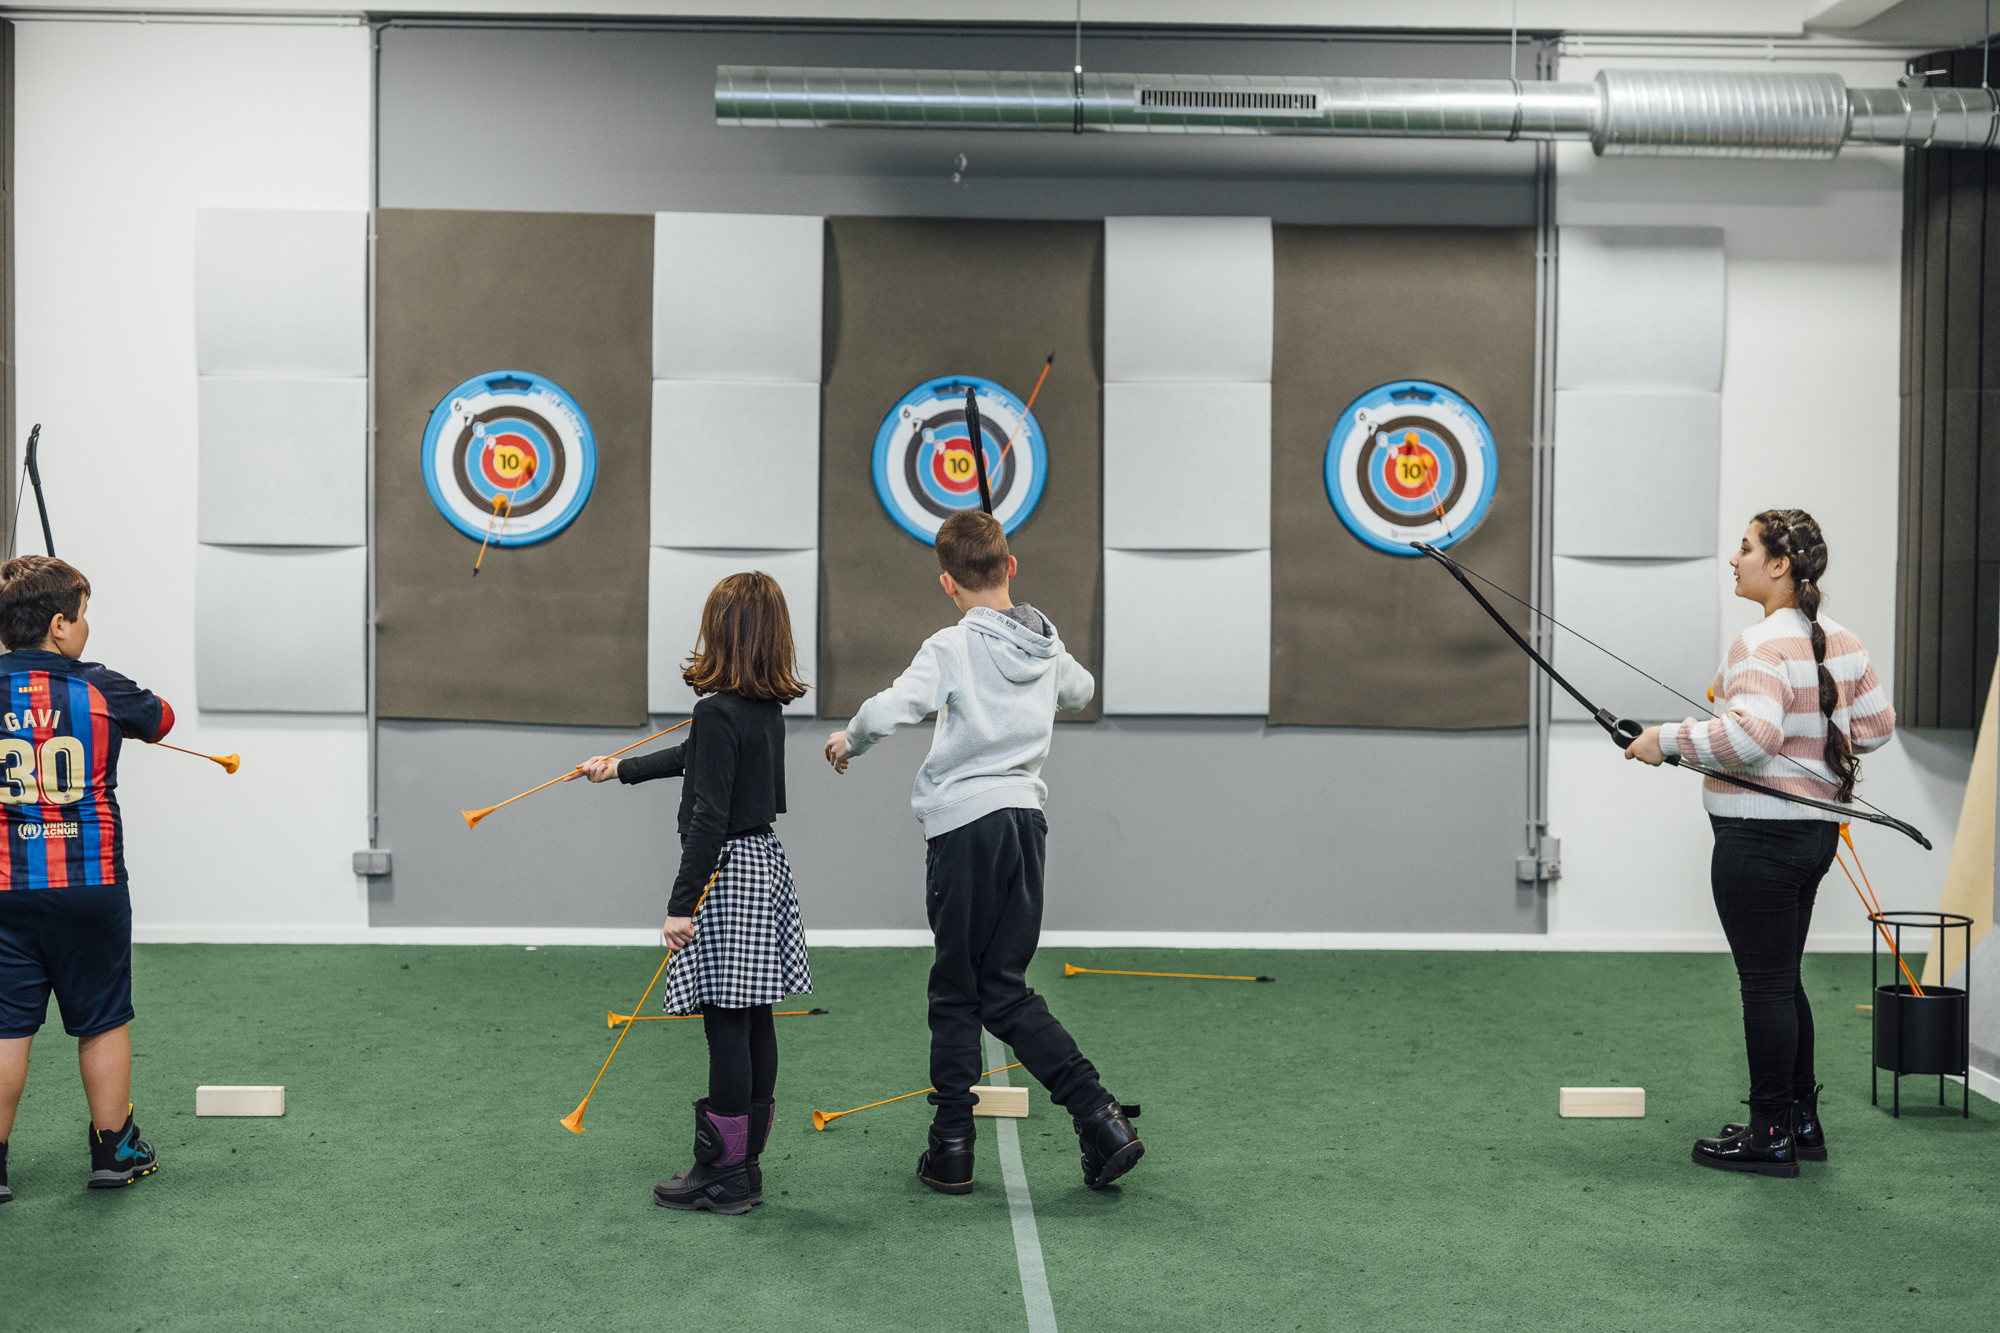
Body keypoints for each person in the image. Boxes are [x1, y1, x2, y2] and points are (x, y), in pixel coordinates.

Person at [824, 510, 1142, 1194]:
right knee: (1005, 987)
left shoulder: (951, 647)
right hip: (1025, 828)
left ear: (948, 582)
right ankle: (1101, 1115)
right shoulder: (1046, 645)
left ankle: (953, 1146)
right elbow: (1083, 691)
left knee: (957, 991)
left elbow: (886, 711)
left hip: (965, 830)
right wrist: (1042, 639)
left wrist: (849, 740)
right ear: (1012, 567)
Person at [1624, 510, 1893, 1178]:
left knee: (1765, 986)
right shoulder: (1844, 639)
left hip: (1758, 842)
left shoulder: (1758, 643)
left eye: (1745, 548)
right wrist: (1818, 746)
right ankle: (1800, 1120)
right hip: (1814, 840)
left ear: (1780, 564)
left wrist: (1666, 739)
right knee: (1781, 978)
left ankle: (1770, 1133)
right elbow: (1879, 728)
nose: (1733, 558)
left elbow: (1751, 739)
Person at [571, 572, 812, 1215]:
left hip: (723, 873)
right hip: (762, 865)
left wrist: (680, 906)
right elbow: (695, 757)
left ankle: (723, 1174)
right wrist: (619, 768)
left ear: (722, 635)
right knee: (754, 1017)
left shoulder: (716, 711)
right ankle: (744, 1168)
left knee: (726, 1022)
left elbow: (707, 813)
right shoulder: (762, 710)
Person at [0, 556, 175, 1201]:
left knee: (4, 1025)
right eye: (81, 616)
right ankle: (114, 1150)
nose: (87, 628)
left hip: (5, 887)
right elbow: (162, 720)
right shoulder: (100, 684)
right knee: (101, 1019)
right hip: (90, 886)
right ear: (57, 625)